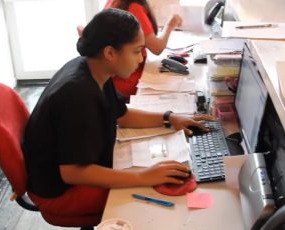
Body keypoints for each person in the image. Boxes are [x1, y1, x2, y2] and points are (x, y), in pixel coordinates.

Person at [22, 8, 213, 229]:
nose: (142, 57)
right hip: (59, 191)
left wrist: (170, 118)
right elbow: (73, 171)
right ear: (110, 53)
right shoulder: (77, 94)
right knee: (153, 198)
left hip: (75, 171)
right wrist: (143, 177)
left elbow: (121, 114)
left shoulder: (94, 69)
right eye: (136, 51)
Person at [78, 0, 183, 99]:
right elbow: (157, 48)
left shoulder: (115, 2)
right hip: (125, 80)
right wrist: (171, 24)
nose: (140, 58)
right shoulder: (133, 8)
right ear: (109, 53)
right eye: (137, 51)